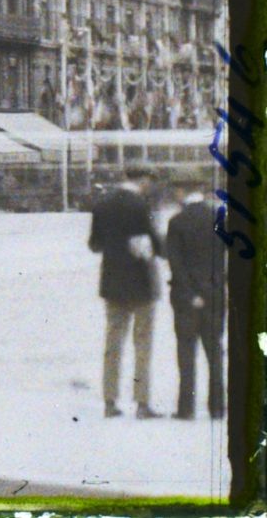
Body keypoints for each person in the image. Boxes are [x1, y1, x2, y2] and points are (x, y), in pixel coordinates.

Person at [88, 172, 163, 418]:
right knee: (142, 344)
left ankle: (109, 402)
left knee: (113, 343)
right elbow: (157, 244)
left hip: (112, 284)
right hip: (141, 284)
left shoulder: (102, 204)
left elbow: (94, 245)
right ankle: (141, 403)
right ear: (143, 181)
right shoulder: (142, 205)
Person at [165, 180, 225, 420]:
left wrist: (191, 293)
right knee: (215, 352)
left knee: (186, 352)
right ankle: (217, 406)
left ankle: (186, 408)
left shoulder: (176, 221)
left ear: (181, 191)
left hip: (185, 297)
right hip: (214, 294)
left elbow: (175, 263)